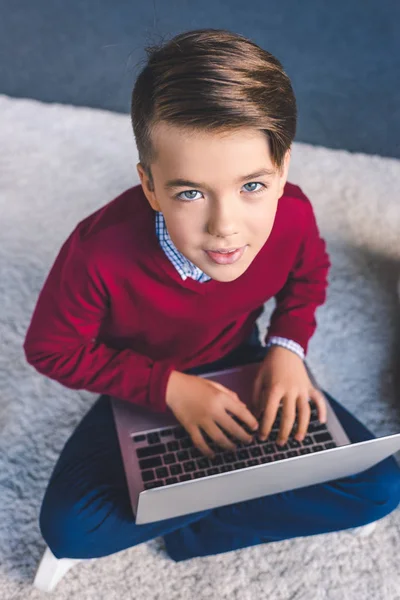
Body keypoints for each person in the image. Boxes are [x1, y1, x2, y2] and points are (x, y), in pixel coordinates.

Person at [23, 28, 400, 564]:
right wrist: (170, 389)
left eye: (252, 186)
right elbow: (51, 349)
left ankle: (194, 522)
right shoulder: (97, 252)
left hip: (241, 356)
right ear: (150, 186)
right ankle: (240, 484)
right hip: (143, 379)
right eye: (190, 193)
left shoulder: (292, 215)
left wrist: (287, 350)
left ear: (283, 168)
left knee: (379, 487)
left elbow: (308, 274)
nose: (226, 228)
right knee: (71, 530)